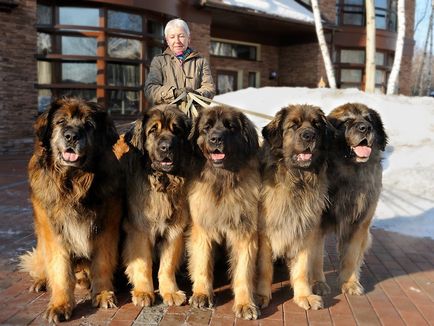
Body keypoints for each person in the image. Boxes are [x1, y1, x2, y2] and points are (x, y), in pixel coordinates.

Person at [145, 18, 215, 112]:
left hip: (194, 119)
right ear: (167, 41)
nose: (177, 41)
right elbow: (150, 89)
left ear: (188, 38)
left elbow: (209, 88)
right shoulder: (159, 61)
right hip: (169, 119)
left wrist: (195, 94)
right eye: (172, 37)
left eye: (181, 36)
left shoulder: (200, 61)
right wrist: (174, 93)